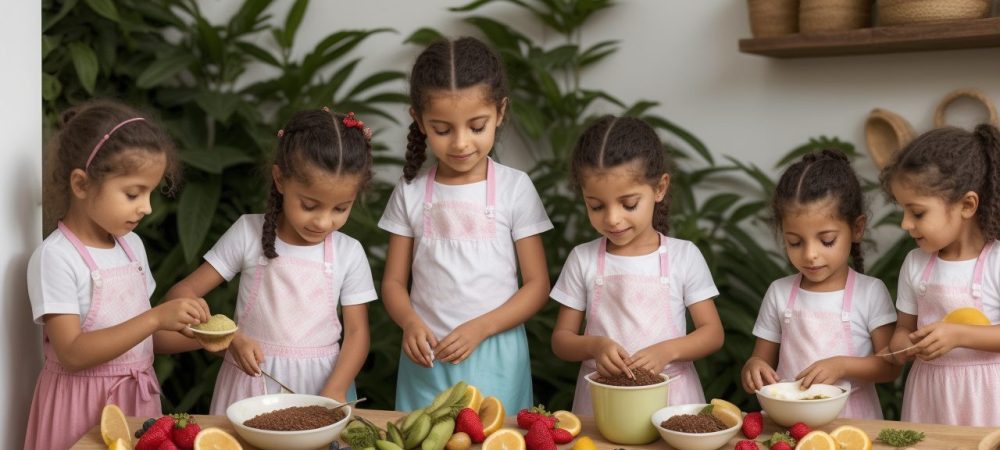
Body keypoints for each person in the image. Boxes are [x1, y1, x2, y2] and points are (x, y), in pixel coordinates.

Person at [379, 37, 553, 412]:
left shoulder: (515, 188)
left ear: (500, 112)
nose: (460, 143)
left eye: (477, 127)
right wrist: (409, 322)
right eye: (443, 129)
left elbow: (537, 285)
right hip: (428, 356)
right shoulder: (410, 192)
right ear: (419, 120)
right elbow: (394, 282)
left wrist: (482, 328)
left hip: (497, 353)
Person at [25, 100, 209, 450]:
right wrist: (156, 318)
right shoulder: (56, 257)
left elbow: (142, 341)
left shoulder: (131, 246)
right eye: (132, 193)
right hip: (80, 410)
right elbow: (73, 352)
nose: (147, 207)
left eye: (151, 192)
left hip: (135, 405)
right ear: (81, 184)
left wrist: (206, 337)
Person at [166, 108, 377, 414]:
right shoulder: (247, 233)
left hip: (323, 388)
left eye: (340, 209)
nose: (322, 221)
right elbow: (180, 295)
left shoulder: (349, 252)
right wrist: (231, 339)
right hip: (251, 386)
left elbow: (358, 333)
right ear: (280, 179)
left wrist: (336, 387)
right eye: (309, 205)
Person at [550, 115, 724, 415]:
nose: (612, 218)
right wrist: (594, 347)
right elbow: (561, 340)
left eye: (628, 204)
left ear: (659, 188)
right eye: (596, 206)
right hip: (603, 403)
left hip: (673, 401)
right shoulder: (583, 259)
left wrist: (668, 350)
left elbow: (712, 333)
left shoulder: (684, 256)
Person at [741, 149, 899, 419]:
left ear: (857, 228)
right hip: (790, 420)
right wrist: (753, 368)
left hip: (853, 420)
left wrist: (842, 366)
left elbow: (890, 368)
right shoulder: (779, 292)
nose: (810, 254)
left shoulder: (870, 292)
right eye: (795, 242)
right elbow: (760, 359)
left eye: (826, 241)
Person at [881, 124, 1000, 426]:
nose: (906, 224)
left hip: (988, 396)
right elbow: (903, 329)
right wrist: (900, 345)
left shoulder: (996, 262)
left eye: (917, 213)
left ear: (967, 205)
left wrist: (958, 334)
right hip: (929, 395)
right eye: (903, 211)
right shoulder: (915, 263)